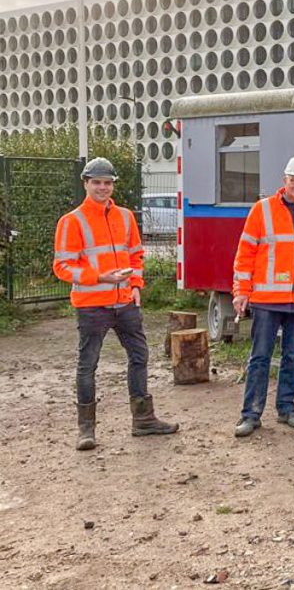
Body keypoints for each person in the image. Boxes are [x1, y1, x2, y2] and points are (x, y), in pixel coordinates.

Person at [53, 157, 178, 450]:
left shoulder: (124, 217)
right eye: (96, 182)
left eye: (107, 183)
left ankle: (143, 420)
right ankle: (86, 430)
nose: (102, 187)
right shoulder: (71, 221)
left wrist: (136, 286)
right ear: (86, 183)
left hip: (125, 303)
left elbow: (136, 256)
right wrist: (100, 277)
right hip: (92, 305)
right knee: (88, 365)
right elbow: (62, 267)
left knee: (139, 357)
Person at [232, 155, 294, 437]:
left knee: (291, 356)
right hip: (266, 299)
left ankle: (287, 408)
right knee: (260, 357)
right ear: (284, 181)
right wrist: (241, 291)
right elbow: (245, 254)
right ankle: (250, 414)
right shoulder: (262, 210)